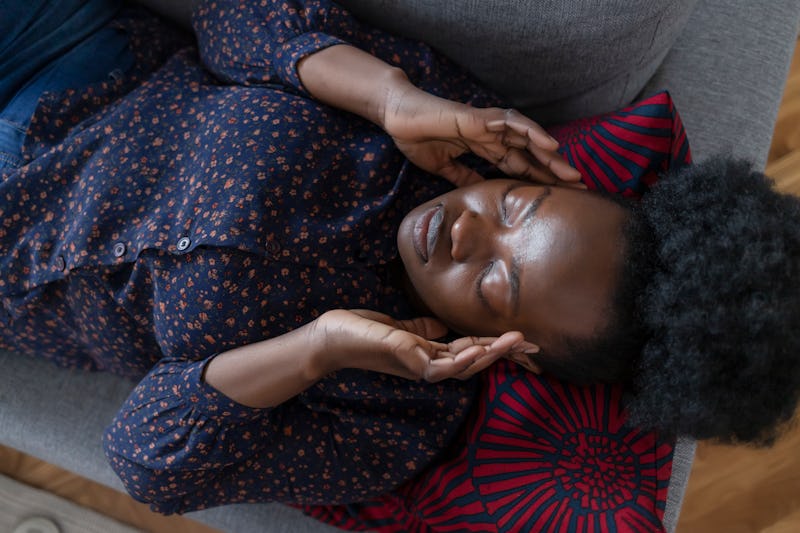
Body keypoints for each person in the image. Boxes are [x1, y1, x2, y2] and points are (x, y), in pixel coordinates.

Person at [0, 0, 798, 516]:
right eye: (516, 208)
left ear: (514, 355)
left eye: (496, 282)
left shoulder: (387, 422)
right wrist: (388, 96)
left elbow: (147, 457)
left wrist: (317, 348)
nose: (466, 230)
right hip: (65, 52)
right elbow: (235, 18)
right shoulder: (448, 128)